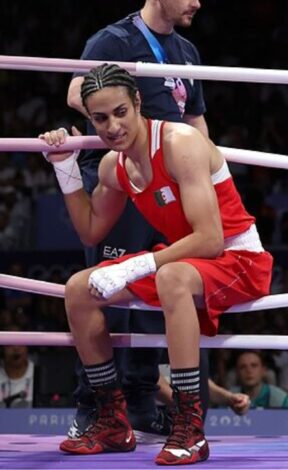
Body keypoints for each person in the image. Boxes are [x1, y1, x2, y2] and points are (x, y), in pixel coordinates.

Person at [39, 63, 272, 465]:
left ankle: (189, 427)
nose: (112, 127)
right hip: (182, 261)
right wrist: (66, 169)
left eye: (120, 112)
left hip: (237, 258)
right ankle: (111, 419)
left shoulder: (180, 143)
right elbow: (91, 231)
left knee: (171, 276)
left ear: (138, 103)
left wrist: (136, 265)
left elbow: (211, 238)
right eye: (100, 118)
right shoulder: (114, 166)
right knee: (79, 289)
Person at [65, 0, 209, 442]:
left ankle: (144, 404)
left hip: (169, 179)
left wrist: (208, 173)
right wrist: (119, 119)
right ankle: (96, 407)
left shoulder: (186, 50)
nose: (197, 3)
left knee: (158, 293)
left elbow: (195, 118)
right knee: (104, 288)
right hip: (123, 177)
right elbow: (78, 92)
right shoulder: (114, 40)